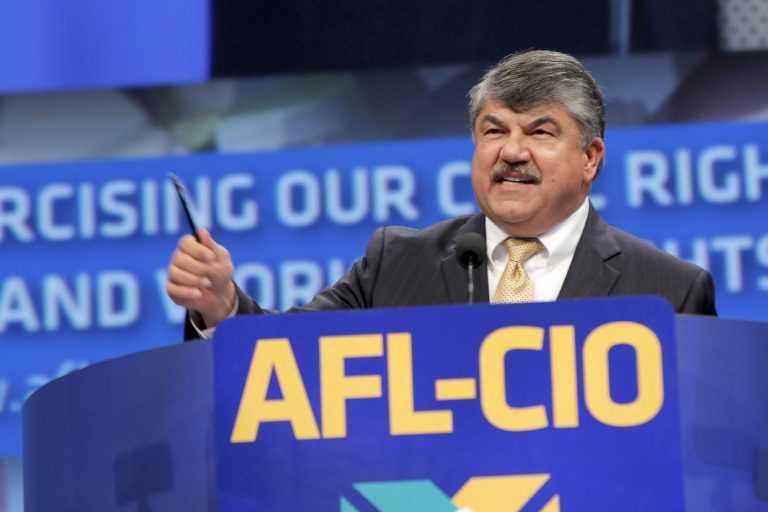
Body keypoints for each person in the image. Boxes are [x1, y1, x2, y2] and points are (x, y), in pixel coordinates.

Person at [166, 50, 717, 340]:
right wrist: (223, 307)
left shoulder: (669, 289)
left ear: (591, 157)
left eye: (540, 132)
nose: (512, 151)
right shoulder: (398, 262)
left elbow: (703, 445)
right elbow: (291, 356)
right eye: (494, 131)